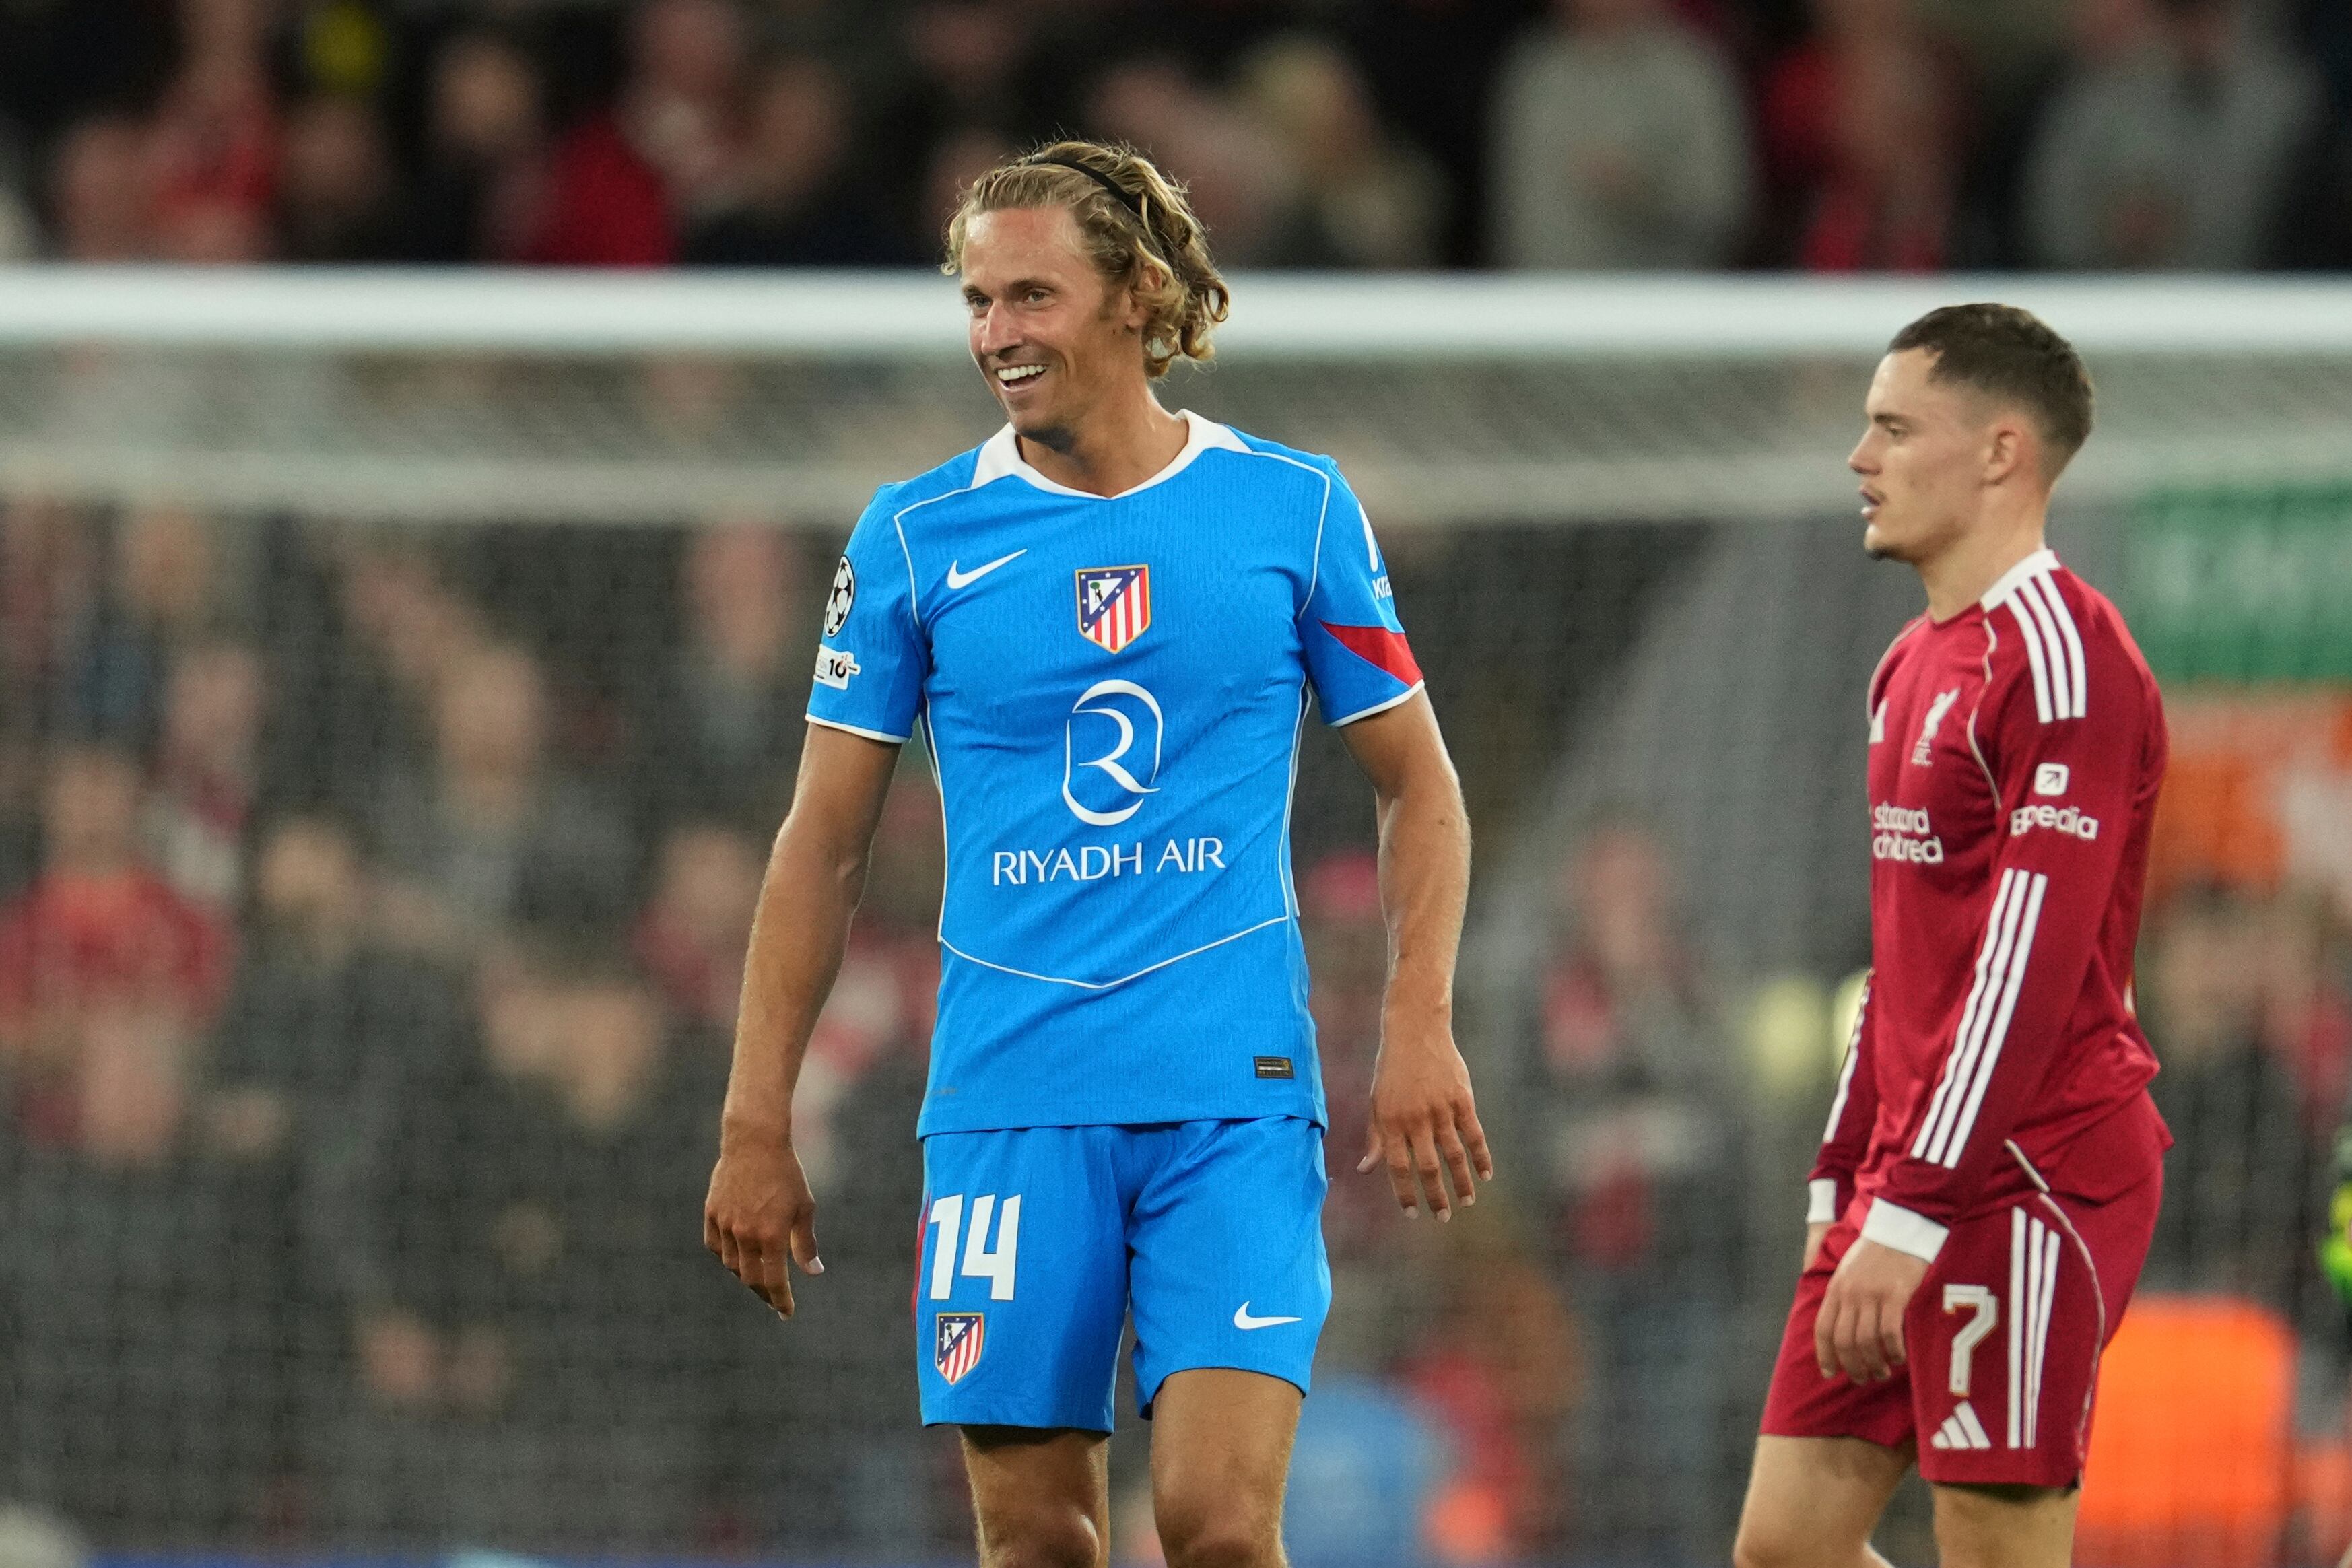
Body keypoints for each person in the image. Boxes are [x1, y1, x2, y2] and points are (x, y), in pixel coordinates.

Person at [703, 139, 1489, 1567]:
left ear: (1133, 296)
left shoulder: (1292, 509)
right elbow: (820, 845)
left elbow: (1418, 788)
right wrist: (757, 1116)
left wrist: (1419, 1022)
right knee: (1038, 1541)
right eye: (977, 302)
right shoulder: (913, 537)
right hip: (1010, 1094)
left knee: (1213, 1524)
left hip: (1231, 1092)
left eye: (1030, 297)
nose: (996, 335)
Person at [1735, 304, 2172, 1568]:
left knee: (1989, 1553)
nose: (1858, 458)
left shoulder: (2070, 660)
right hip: (1910, 1173)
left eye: (1890, 426)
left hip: (2030, 1174)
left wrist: (1913, 1210)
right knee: (1784, 1546)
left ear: (1998, 453)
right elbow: (1906, 965)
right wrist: (1842, 1176)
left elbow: (2023, 968)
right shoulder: (1908, 666)